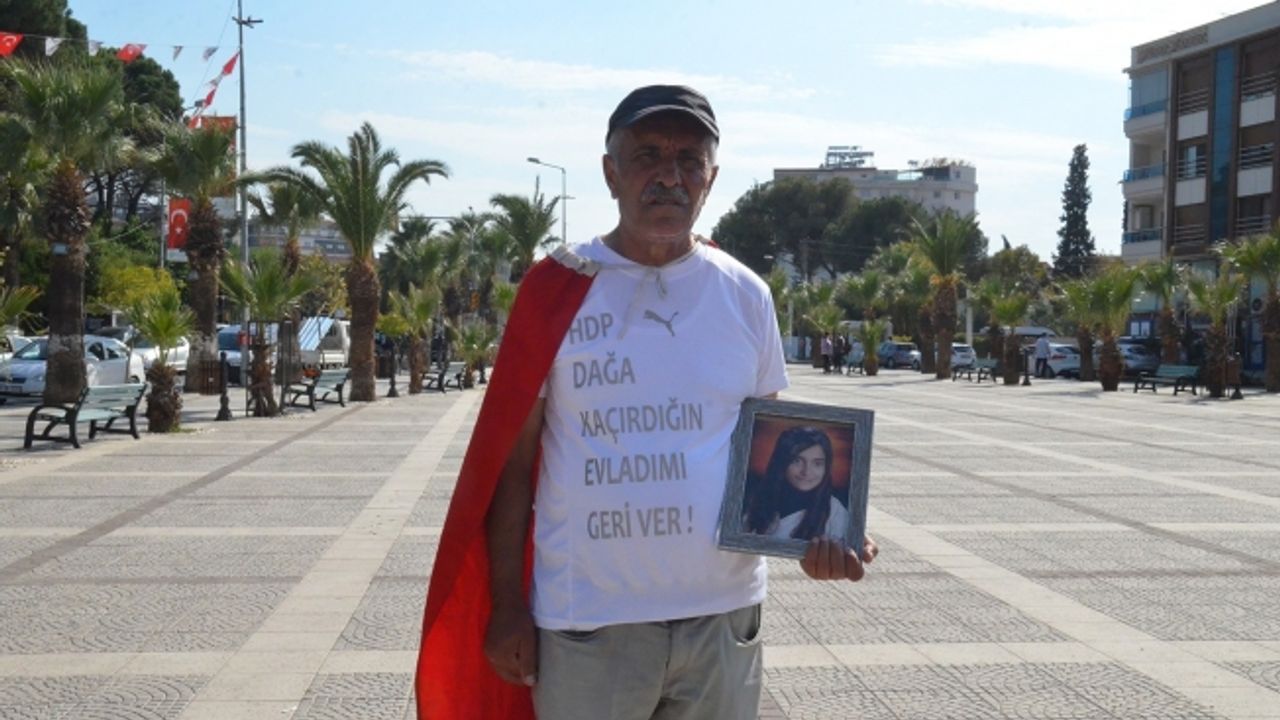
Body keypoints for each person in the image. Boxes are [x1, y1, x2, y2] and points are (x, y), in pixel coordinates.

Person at [415, 85, 877, 720]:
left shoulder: (745, 295)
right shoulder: (558, 289)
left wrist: (828, 533)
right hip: (589, 624)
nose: (670, 176)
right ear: (611, 172)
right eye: (649, 155)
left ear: (711, 179)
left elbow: (771, 450)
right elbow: (512, 466)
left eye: (690, 159)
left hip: (722, 619)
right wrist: (507, 604)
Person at [744, 426, 850, 540]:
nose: (806, 471)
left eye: (817, 463)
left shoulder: (836, 512)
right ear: (781, 462)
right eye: (797, 461)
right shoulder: (758, 501)